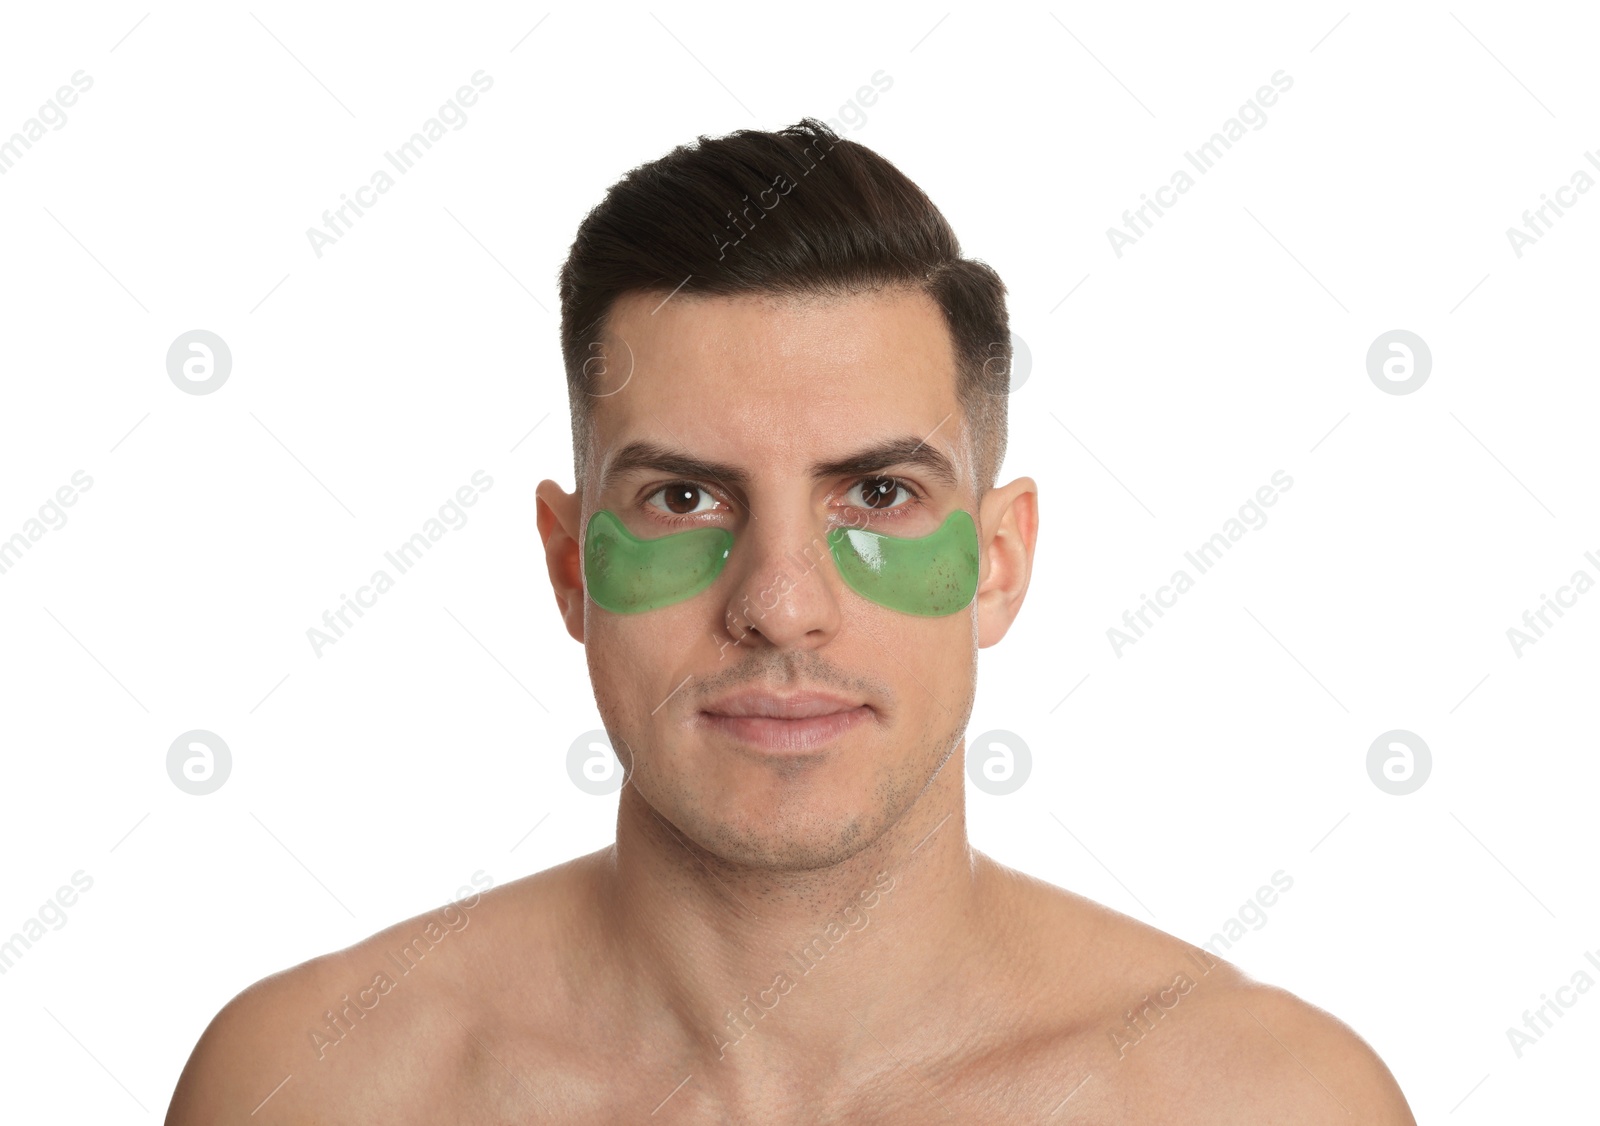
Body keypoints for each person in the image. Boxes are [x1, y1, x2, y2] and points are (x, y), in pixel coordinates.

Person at [165, 117, 1415, 1123]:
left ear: (996, 561)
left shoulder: (1261, 1101)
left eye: (877, 493)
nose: (779, 603)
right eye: (682, 496)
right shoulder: (314, 1088)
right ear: (567, 564)